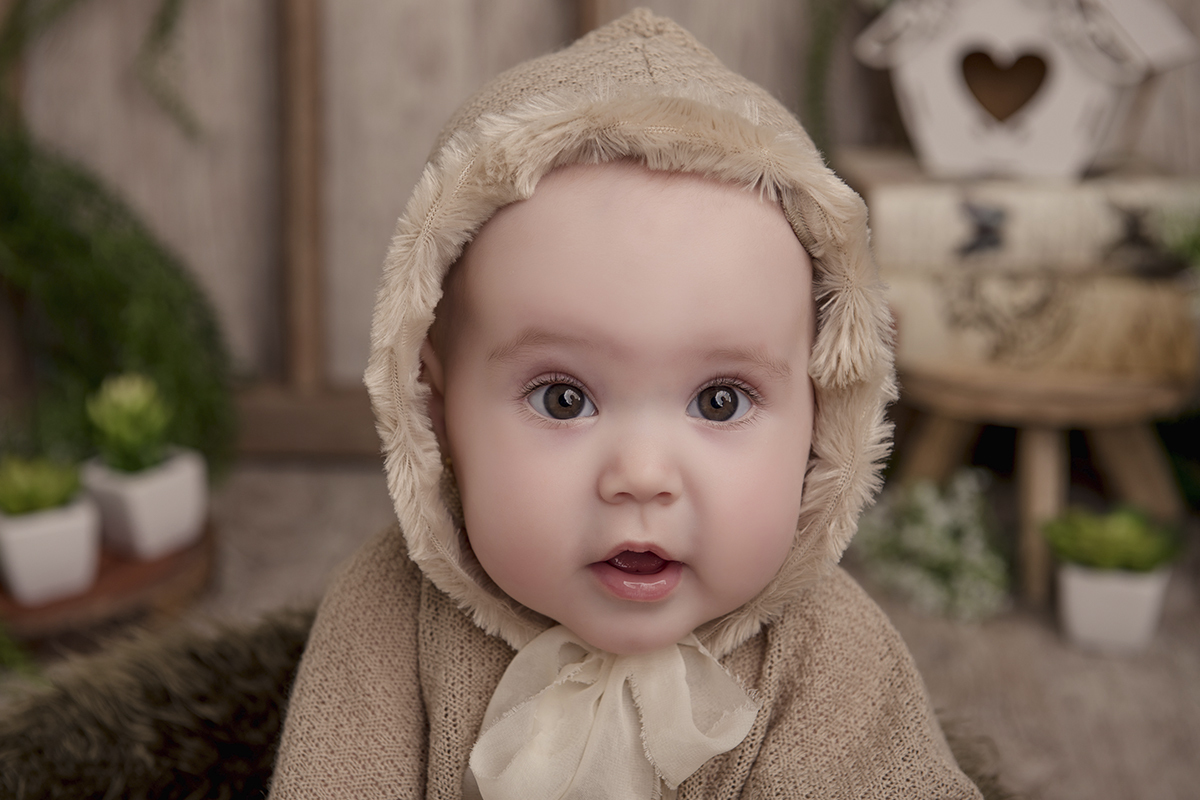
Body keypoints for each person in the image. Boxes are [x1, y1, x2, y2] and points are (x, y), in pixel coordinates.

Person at [268, 9, 982, 800]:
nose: (641, 477)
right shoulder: (385, 617)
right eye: (564, 398)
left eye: (719, 400)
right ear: (434, 411)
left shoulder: (830, 654)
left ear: (823, 417)